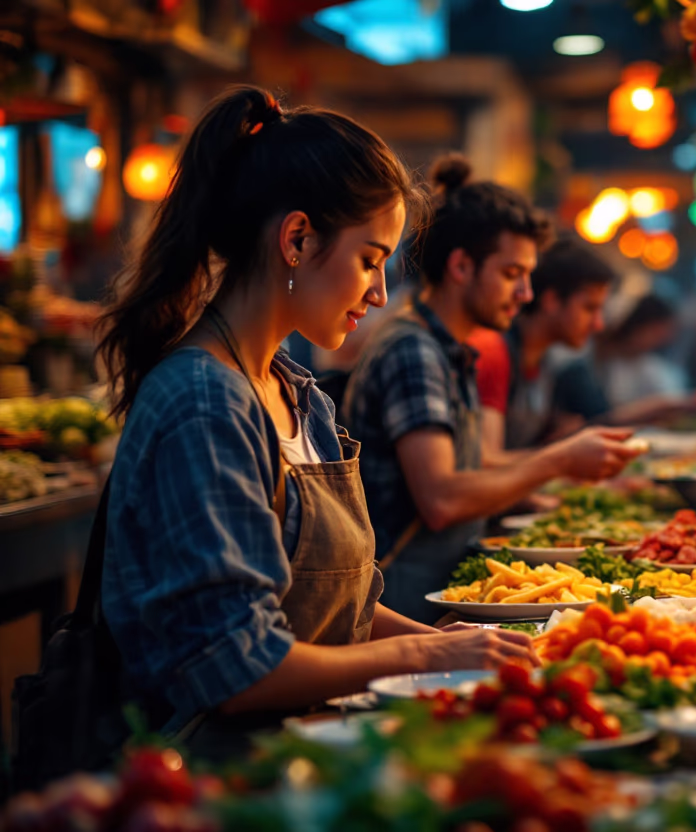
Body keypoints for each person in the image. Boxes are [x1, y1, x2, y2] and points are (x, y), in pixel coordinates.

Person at [94, 87, 537, 751]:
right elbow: (235, 668)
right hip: (219, 779)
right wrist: (422, 660)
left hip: (312, 753)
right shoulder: (205, 403)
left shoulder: (301, 395)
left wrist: (456, 643)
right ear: (297, 238)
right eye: (370, 260)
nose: (381, 293)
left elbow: (344, 610)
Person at [341, 155, 642, 620]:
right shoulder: (412, 350)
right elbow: (442, 499)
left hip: (441, 588)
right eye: (511, 274)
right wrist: (560, 459)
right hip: (402, 601)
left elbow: (474, 466)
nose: (525, 294)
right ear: (461, 266)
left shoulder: (450, 350)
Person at [467, 235, 616, 455]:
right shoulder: (494, 351)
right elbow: (484, 464)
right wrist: (563, 454)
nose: (598, 324)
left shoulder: (546, 361)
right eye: (589, 308)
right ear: (551, 301)